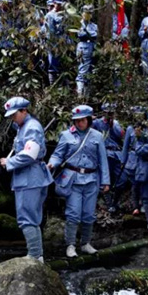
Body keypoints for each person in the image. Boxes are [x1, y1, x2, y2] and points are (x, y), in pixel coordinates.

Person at [48, 105, 110, 257]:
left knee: (89, 213)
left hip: (91, 179)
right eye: (76, 121)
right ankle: (70, 245)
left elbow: (103, 160)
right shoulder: (66, 135)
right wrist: (52, 163)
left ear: (88, 120)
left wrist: (105, 181)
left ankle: (86, 243)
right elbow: (58, 154)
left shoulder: (97, 136)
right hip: (72, 179)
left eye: (82, 120)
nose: (79, 123)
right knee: (73, 213)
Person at [0, 97, 53, 262]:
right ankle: (38, 255)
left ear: (24, 111)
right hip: (31, 177)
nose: (12, 118)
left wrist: (9, 162)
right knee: (32, 217)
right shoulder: (23, 127)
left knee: (27, 218)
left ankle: (35, 255)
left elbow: (30, 155)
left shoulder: (31, 127)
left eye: (14, 115)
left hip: (30, 178)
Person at [92, 103, 126, 213]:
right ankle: (109, 204)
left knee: (122, 180)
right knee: (105, 180)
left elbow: (121, 136)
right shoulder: (97, 123)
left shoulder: (116, 124)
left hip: (116, 154)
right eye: (107, 113)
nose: (109, 115)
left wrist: (113, 125)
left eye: (111, 113)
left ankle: (115, 201)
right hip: (104, 153)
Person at [121, 106, 145, 215]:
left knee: (144, 183)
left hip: (144, 159)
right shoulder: (130, 129)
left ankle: (144, 204)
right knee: (135, 184)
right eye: (136, 114)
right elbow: (125, 146)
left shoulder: (147, 127)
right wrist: (123, 161)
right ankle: (135, 206)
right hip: (132, 159)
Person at [44, 0, 68, 85]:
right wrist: (54, 45)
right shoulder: (50, 15)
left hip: (65, 43)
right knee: (53, 65)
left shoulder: (66, 14)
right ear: (54, 4)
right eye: (58, 4)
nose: (60, 6)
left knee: (64, 66)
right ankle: (53, 85)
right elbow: (50, 33)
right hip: (54, 44)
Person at [75, 5, 98, 97]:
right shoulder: (78, 24)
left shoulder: (94, 26)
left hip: (92, 47)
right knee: (82, 70)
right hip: (83, 47)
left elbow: (96, 35)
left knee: (90, 71)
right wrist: (90, 35)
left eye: (90, 13)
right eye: (86, 13)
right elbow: (81, 34)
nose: (88, 15)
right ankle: (80, 94)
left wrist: (90, 35)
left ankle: (87, 95)